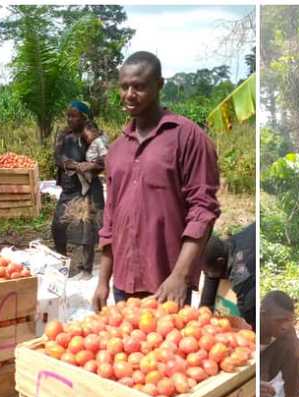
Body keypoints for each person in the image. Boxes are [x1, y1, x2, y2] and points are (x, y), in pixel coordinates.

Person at [92, 52, 221, 310]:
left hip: (167, 287)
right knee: (123, 350)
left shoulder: (187, 137)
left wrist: (180, 276)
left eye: (139, 86)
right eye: (124, 86)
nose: (130, 94)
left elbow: (203, 211)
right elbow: (111, 219)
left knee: (167, 350)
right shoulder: (116, 150)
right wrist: (103, 281)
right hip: (122, 285)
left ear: (159, 85)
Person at [53, 101, 106, 278]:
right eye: (68, 115)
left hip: (87, 188)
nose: (70, 119)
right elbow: (57, 156)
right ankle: (63, 264)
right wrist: (67, 164)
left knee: (87, 230)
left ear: (84, 117)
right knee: (58, 226)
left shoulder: (91, 135)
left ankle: (86, 269)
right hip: (69, 188)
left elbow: (103, 162)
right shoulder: (63, 135)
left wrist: (88, 166)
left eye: (74, 116)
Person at [199, 222, 256, 330]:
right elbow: (211, 273)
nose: (205, 275)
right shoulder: (227, 245)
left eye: (205, 271)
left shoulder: (242, 277)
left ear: (220, 262)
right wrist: (204, 312)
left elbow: (249, 319)